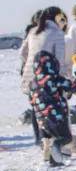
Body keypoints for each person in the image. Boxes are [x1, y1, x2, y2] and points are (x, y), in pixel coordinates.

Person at [25, 7, 76, 167]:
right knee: (58, 119)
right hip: (52, 81)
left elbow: (23, 53)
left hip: (32, 80)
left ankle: (48, 154)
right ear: (56, 17)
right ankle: (59, 152)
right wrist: (65, 82)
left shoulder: (33, 31)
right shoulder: (56, 34)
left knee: (43, 120)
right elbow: (60, 61)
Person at [19, 10, 43, 145]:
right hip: (32, 74)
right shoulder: (32, 33)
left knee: (40, 105)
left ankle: (42, 136)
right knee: (36, 106)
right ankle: (39, 136)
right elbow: (23, 54)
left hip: (35, 73)